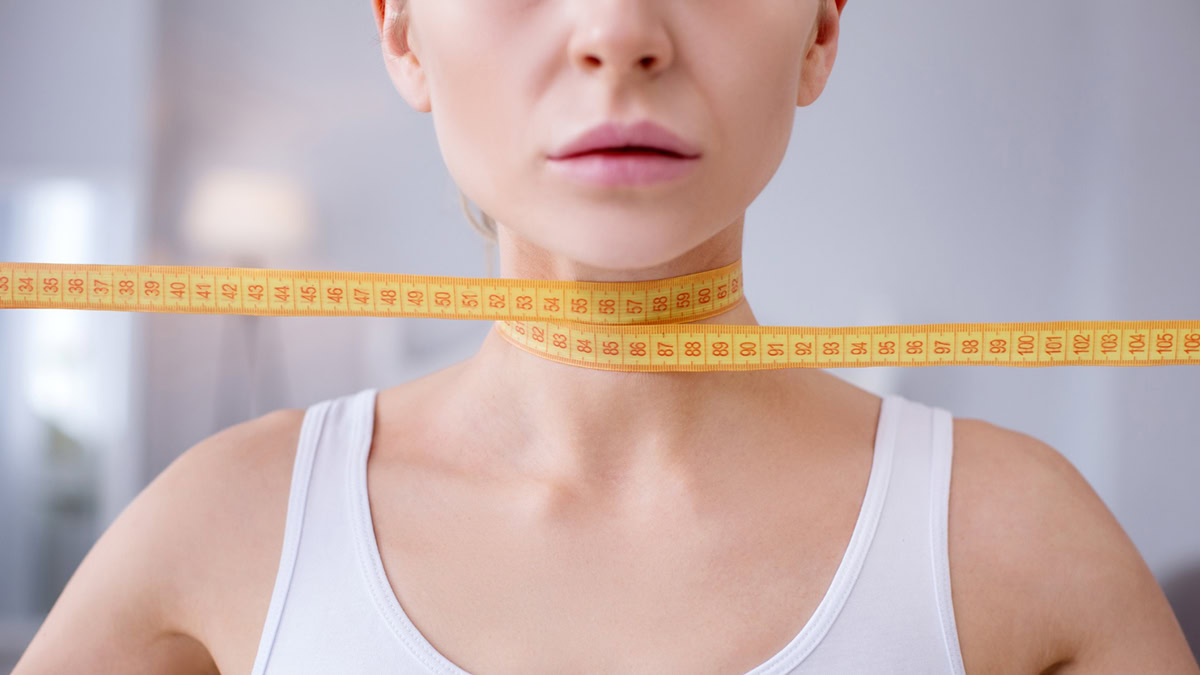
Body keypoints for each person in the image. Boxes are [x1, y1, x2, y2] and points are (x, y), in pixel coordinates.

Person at [14, 1, 1199, 673]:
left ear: (824, 28)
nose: (619, 31)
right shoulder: (222, 534)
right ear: (401, 32)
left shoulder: (1022, 547)